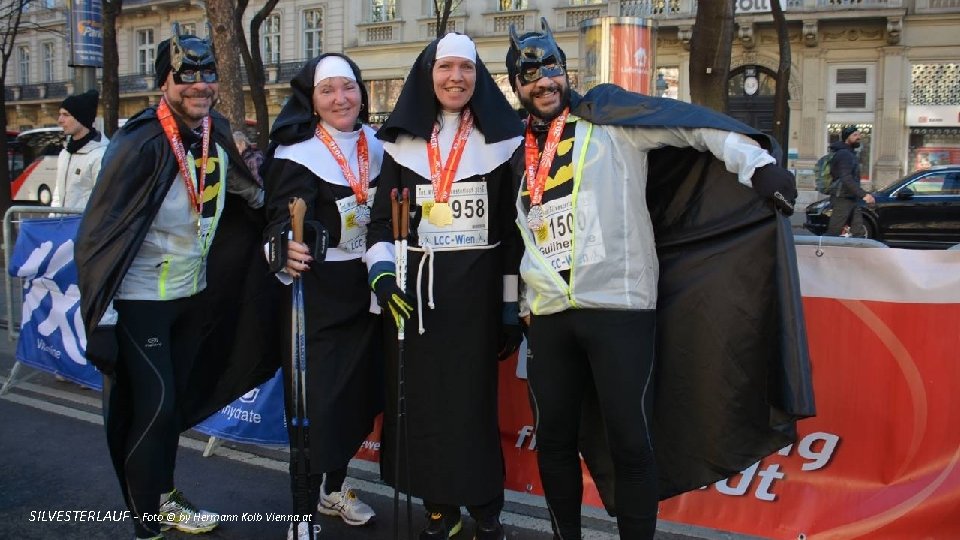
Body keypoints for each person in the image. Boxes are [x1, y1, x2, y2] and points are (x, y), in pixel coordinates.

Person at [505, 20, 815, 540]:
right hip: (551, 317)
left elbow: (695, 127)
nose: (543, 82)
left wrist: (758, 167)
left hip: (619, 309)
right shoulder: (520, 155)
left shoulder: (611, 119)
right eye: (529, 74)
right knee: (556, 441)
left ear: (565, 70)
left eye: (550, 67)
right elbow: (522, 238)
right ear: (517, 87)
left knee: (631, 441)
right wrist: (519, 305)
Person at [74, 28, 279, 540]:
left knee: (172, 408)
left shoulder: (213, 132)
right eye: (186, 78)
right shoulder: (140, 141)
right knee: (156, 405)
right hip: (140, 301)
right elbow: (97, 234)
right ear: (164, 82)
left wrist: (284, 212)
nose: (200, 87)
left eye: (207, 77)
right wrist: (101, 318)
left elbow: (249, 194)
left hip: (191, 297)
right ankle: (147, 517)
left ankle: (162, 497)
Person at [365, 33, 524, 540]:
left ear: (478, 78)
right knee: (424, 405)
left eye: (466, 68)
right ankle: (439, 508)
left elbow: (511, 236)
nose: (455, 78)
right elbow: (377, 228)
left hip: (475, 301)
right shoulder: (402, 146)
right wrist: (383, 276)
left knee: (473, 406)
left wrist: (507, 308)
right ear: (427, 76)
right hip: (416, 297)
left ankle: (486, 505)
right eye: (445, 67)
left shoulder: (502, 145)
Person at [262, 53, 383, 540]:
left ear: (361, 92)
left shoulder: (381, 145)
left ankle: (335, 490)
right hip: (316, 296)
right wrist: (289, 242)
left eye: (348, 88)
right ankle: (299, 515)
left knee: (355, 403)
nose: (340, 99)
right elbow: (277, 219)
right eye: (328, 90)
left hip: (368, 289)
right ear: (311, 100)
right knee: (312, 409)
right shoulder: (297, 152)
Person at [53, 89, 110, 208]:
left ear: (81, 118)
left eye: (66, 115)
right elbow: (58, 195)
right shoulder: (65, 153)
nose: (60, 120)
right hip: (63, 224)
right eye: (60, 114)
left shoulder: (101, 155)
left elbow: (103, 201)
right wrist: (54, 221)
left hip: (85, 225)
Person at [825, 125, 874, 236]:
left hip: (851, 198)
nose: (859, 137)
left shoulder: (849, 153)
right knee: (833, 232)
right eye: (855, 135)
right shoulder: (844, 154)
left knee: (858, 231)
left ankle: (859, 252)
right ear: (847, 138)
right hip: (842, 198)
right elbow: (846, 178)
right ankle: (823, 251)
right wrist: (863, 195)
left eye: (859, 134)